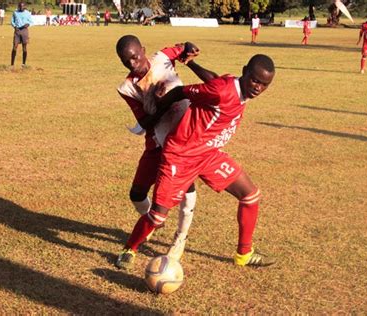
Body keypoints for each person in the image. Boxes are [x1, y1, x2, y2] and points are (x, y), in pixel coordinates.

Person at [115, 53, 276, 270]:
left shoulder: (232, 86)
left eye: (264, 84)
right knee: (157, 217)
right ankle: (129, 249)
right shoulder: (222, 92)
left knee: (250, 195)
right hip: (180, 157)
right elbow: (184, 91)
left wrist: (192, 63)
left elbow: (214, 79)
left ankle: (244, 255)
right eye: (255, 80)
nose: (258, 87)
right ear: (245, 71)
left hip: (208, 155)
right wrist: (162, 105)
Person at [115, 35, 219, 263]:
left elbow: (184, 48)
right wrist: (164, 104)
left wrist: (189, 49)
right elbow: (145, 123)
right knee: (137, 194)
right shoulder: (126, 88)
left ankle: (179, 239)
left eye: (135, 57)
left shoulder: (162, 57)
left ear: (143, 50)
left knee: (187, 188)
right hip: (157, 143)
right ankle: (149, 223)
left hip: (185, 140)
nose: (133, 64)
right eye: (126, 62)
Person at [11, 2, 33, 67]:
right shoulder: (15, 13)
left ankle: (23, 64)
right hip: (17, 31)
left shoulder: (27, 13)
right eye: (20, 6)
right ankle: (12, 64)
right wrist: (15, 26)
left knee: (24, 47)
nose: (21, 7)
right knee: (14, 46)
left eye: (22, 6)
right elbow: (12, 21)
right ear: (18, 6)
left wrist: (28, 24)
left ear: (24, 6)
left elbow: (31, 21)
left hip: (24, 30)